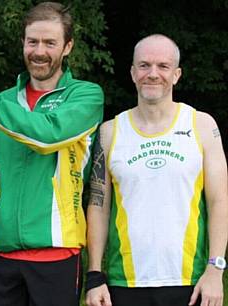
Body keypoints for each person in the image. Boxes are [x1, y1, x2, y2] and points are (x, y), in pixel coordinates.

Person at [0, 2, 104, 305]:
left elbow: (48, 136)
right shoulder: (3, 102)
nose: (39, 51)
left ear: (68, 47)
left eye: (50, 42)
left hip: (56, 253)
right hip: (2, 252)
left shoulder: (86, 95)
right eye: (32, 41)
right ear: (23, 43)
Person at [84, 34, 228, 306]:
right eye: (144, 65)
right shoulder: (110, 131)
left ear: (176, 75)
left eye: (163, 66)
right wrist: (95, 275)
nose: (153, 74)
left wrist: (215, 268)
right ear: (132, 72)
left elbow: (219, 202)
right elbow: (98, 206)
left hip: (191, 282)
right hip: (123, 283)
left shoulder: (202, 125)